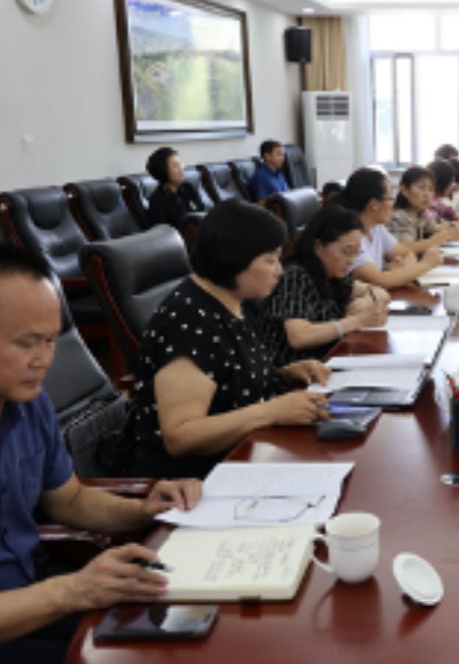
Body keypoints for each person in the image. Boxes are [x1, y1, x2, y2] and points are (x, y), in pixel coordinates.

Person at [0, 242, 202, 663]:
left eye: (52, 341)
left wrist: (145, 509)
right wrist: (72, 590)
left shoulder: (25, 400)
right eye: (27, 343)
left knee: (188, 623)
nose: (44, 360)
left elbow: (68, 499)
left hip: (32, 595)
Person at [111, 200, 332, 479]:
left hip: (243, 455)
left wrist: (282, 377)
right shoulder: (188, 322)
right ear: (234, 260)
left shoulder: (234, 299)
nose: (280, 270)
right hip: (191, 483)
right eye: (270, 260)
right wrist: (271, 411)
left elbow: (228, 382)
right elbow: (180, 436)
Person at [259, 207, 390, 367]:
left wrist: (362, 303)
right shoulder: (295, 276)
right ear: (318, 247)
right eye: (345, 252)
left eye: (356, 252)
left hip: (328, 364)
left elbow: (380, 292)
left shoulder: (332, 275)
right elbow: (299, 337)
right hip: (295, 374)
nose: (351, 261)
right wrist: (356, 321)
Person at [340, 167, 444, 290]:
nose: (392, 204)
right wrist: (425, 264)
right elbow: (379, 281)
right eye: (390, 199)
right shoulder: (350, 237)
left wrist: (400, 270)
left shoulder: (376, 228)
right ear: (374, 205)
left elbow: (406, 253)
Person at [387, 166, 459, 255]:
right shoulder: (398, 216)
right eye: (421, 188)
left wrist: (451, 229)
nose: (427, 194)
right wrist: (442, 238)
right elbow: (405, 248)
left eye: (431, 189)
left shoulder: (420, 213)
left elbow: (435, 228)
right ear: (404, 190)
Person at [145, 147, 205, 228]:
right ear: (163, 170)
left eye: (180, 165)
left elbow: (202, 212)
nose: (181, 169)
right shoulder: (157, 200)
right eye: (175, 166)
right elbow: (162, 231)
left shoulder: (188, 188)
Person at [249, 140, 291, 204]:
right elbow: (261, 205)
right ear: (267, 156)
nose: (282, 158)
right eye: (279, 155)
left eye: (283, 155)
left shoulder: (279, 173)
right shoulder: (261, 177)